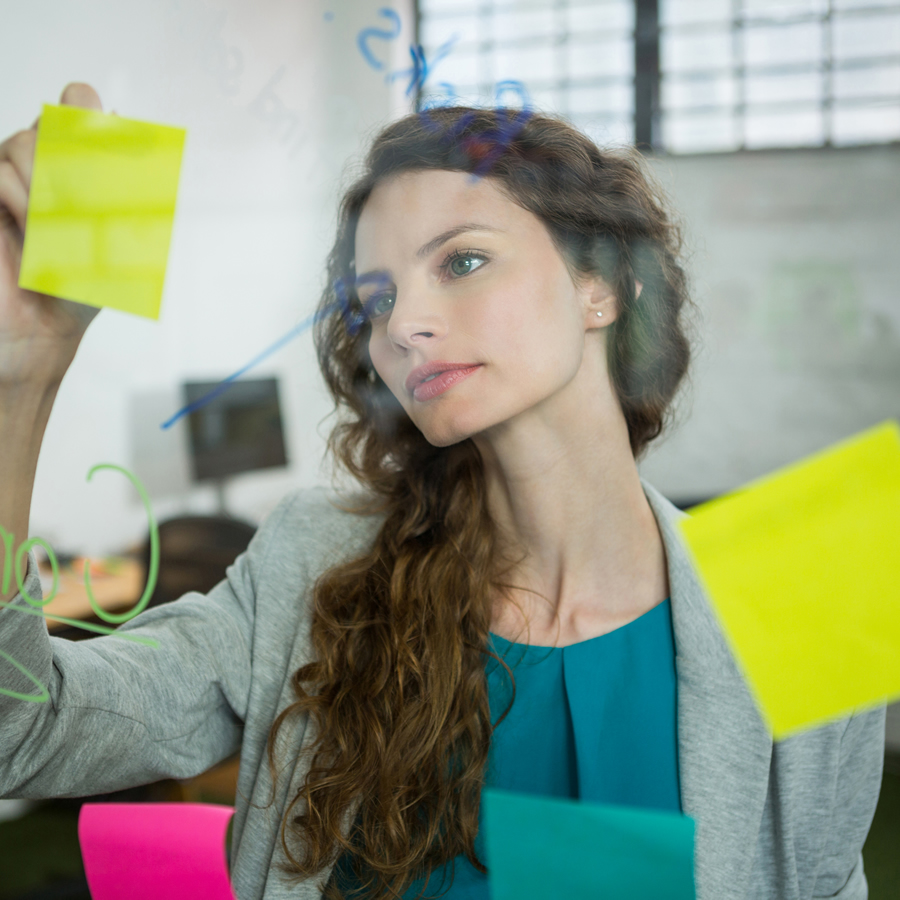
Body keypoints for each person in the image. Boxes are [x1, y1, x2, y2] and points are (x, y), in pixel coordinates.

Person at [0, 83, 885, 900]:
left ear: (603, 284)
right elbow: (22, 731)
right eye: (375, 300)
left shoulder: (801, 613)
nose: (406, 326)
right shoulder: (312, 565)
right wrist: (26, 374)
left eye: (461, 262)